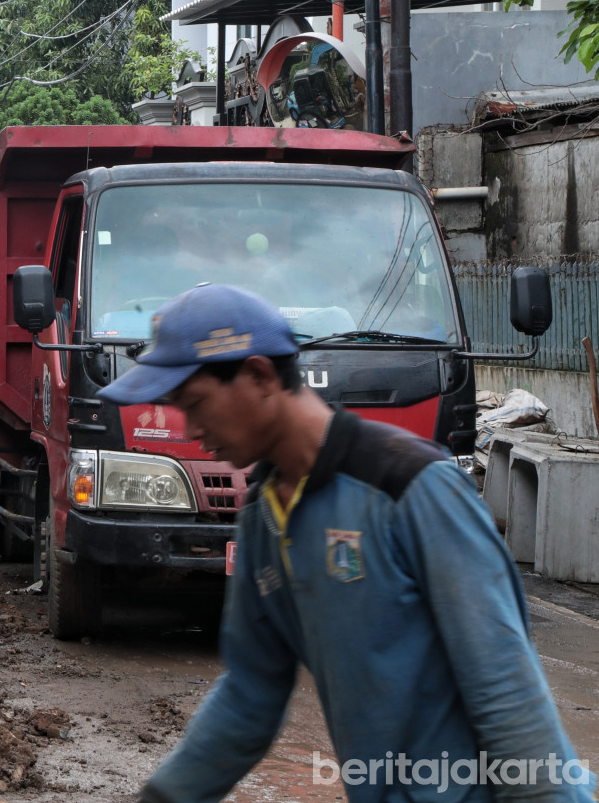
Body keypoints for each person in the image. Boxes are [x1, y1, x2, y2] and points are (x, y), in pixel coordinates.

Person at [97, 284, 594, 803]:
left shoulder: (410, 484)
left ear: (259, 376)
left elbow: (506, 690)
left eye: (197, 403)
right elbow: (250, 694)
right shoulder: (265, 517)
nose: (192, 429)